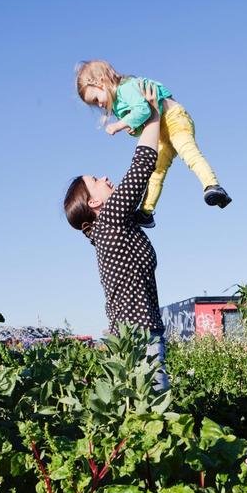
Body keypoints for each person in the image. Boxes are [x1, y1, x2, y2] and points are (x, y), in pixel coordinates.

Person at [64, 79, 169, 391]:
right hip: (137, 336)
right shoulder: (109, 220)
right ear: (94, 203)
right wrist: (151, 115)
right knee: (152, 418)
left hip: (135, 335)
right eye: (96, 179)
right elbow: (141, 167)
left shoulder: (111, 227)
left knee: (142, 420)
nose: (106, 177)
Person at [75, 59, 231, 229]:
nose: (99, 104)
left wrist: (120, 125)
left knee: (188, 152)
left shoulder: (126, 88)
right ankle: (146, 212)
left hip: (174, 118)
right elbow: (146, 126)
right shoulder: (119, 106)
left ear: (101, 82)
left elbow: (144, 110)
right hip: (161, 130)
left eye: (96, 98)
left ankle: (212, 185)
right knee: (156, 170)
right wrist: (133, 129)